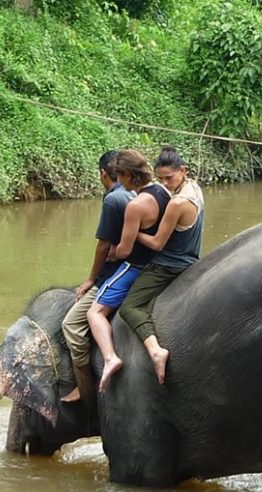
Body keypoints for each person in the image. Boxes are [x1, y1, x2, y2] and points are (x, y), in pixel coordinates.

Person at [118, 146, 204, 384]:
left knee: (129, 307)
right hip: (191, 257)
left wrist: (133, 233)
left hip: (168, 265)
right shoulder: (194, 188)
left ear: (183, 170)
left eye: (169, 177)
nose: (165, 184)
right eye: (161, 179)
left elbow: (156, 243)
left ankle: (155, 350)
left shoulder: (177, 203)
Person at [88, 149, 171, 393]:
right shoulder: (163, 192)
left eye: (120, 176)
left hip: (135, 266)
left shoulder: (136, 205)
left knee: (94, 312)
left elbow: (124, 251)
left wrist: (115, 251)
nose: (118, 181)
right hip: (160, 261)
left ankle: (110, 357)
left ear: (126, 175)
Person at [61, 151, 135, 403]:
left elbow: (103, 246)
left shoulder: (114, 199)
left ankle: (85, 389)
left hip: (115, 273)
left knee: (71, 325)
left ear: (104, 173)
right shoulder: (135, 193)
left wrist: (91, 278)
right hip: (136, 266)